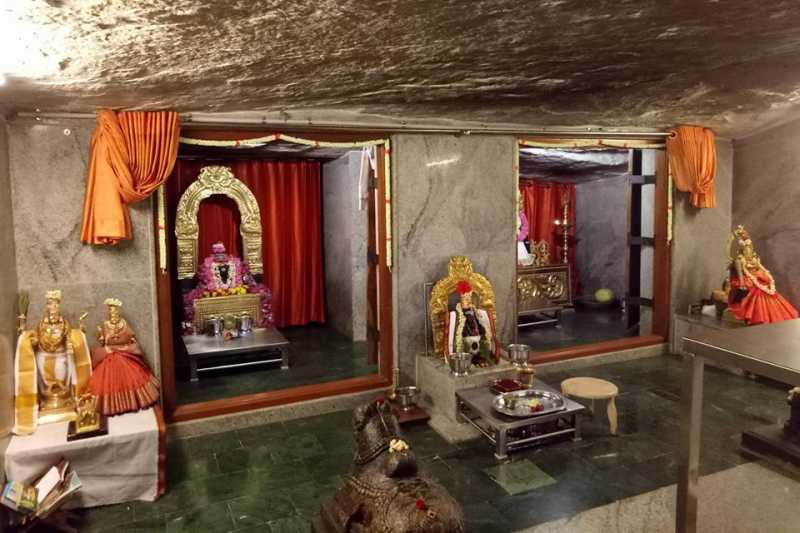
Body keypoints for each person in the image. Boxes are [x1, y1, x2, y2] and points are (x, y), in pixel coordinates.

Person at [14, 290, 92, 435]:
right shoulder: (41, 324)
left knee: (61, 378)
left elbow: (70, 337)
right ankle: (48, 402)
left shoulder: (64, 324)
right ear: (47, 309)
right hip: (43, 357)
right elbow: (36, 338)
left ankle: (64, 400)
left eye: (56, 306)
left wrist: (80, 332)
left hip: (60, 357)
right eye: (51, 306)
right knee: (46, 382)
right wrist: (28, 337)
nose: (53, 309)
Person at [88, 298, 159, 416]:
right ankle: (112, 405)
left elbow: (131, 338)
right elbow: (103, 342)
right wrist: (100, 336)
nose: (113, 315)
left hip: (125, 355)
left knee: (133, 377)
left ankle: (131, 402)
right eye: (111, 312)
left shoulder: (124, 324)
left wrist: (127, 345)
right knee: (107, 381)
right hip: (109, 356)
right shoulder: (105, 325)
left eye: (115, 312)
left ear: (118, 312)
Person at [728, 225, 798, 325]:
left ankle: (774, 314)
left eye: (749, 249)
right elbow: (740, 274)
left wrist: (768, 276)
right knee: (757, 290)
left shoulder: (754, 258)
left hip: (756, 278)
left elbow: (760, 268)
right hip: (745, 280)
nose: (748, 251)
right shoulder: (739, 260)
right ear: (742, 250)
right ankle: (759, 315)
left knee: (768, 289)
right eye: (746, 249)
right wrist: (743, 283)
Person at [444, 281, 499, 366]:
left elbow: (479, 322)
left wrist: (481, 331)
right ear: (461, 299)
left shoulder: (474, 311)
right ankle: (472, 360)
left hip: (477, 337)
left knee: (482, 347)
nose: (468, 301)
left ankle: (483, 358)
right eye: (466, 299)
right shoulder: (458, 313)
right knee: (468, 348)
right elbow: (457, 329)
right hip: (466, 339)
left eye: (469, 299)